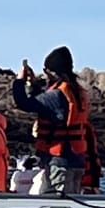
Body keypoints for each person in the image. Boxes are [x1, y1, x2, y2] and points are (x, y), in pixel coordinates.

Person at [10, 45, 89, 196]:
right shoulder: (75, 92)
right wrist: (32, 84)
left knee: (59, 205)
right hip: (75, 160)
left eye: (46, 71)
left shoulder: (57, 95)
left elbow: (24, 103)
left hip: (59, 164)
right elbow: (44, 104)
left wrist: (19, 81)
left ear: (52, 72)